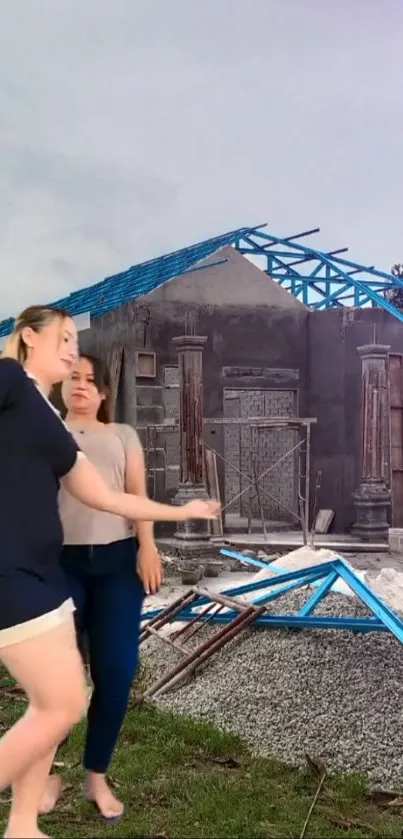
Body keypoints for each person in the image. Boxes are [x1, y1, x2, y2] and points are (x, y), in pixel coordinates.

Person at [0, 305, 219, 839]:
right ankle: (35, 799)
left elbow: (106, 495)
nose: (75, 352)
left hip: (61, 569)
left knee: (66, 695)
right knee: (64, 701)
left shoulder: (49, 418)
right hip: (26, 568)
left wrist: (179, 515)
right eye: (65, 338)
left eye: (80, 345)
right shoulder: (9, 382)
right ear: (29, 336)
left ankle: (26, 824)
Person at [40, 353, 163, 823]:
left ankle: (95, 776)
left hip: (116, 564)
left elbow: (136, 495)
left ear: (105, 391)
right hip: (59, 566)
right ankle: (48, 770)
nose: (82, 386)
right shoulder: (45, 434)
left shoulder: (123, 436)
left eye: (92, 380)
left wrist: (147, 547)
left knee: (116, 673)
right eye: (74, 378)